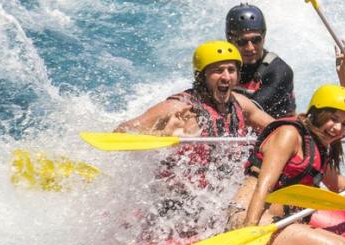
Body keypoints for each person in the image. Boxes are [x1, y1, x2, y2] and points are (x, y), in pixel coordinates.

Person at [115, 41, 273, 227]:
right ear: (201, 76)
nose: (226, 77)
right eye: (217, 70)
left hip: (220, 196)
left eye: (231, 70)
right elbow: (121, 131)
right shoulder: (178, 107)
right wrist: (161, 135)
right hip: (175, 205)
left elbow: (278, 129)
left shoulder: (240, 103)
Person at [225, 85, 345, 245]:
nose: (338, 128)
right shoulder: (289, 134)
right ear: (317, 113)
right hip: (249, 217)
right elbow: (264, 186)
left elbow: (341, 188)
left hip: (281, 222)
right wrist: (248, 232)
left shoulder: (319, 146)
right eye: (333, 119)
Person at [226, 3, 296, 118]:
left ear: (264, 37)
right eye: (242, 41)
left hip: (279, 131)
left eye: (256, 40)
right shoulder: (222, 68)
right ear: (230, 41)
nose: (250, 48)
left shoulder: (280, 71)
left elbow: (251, 112)